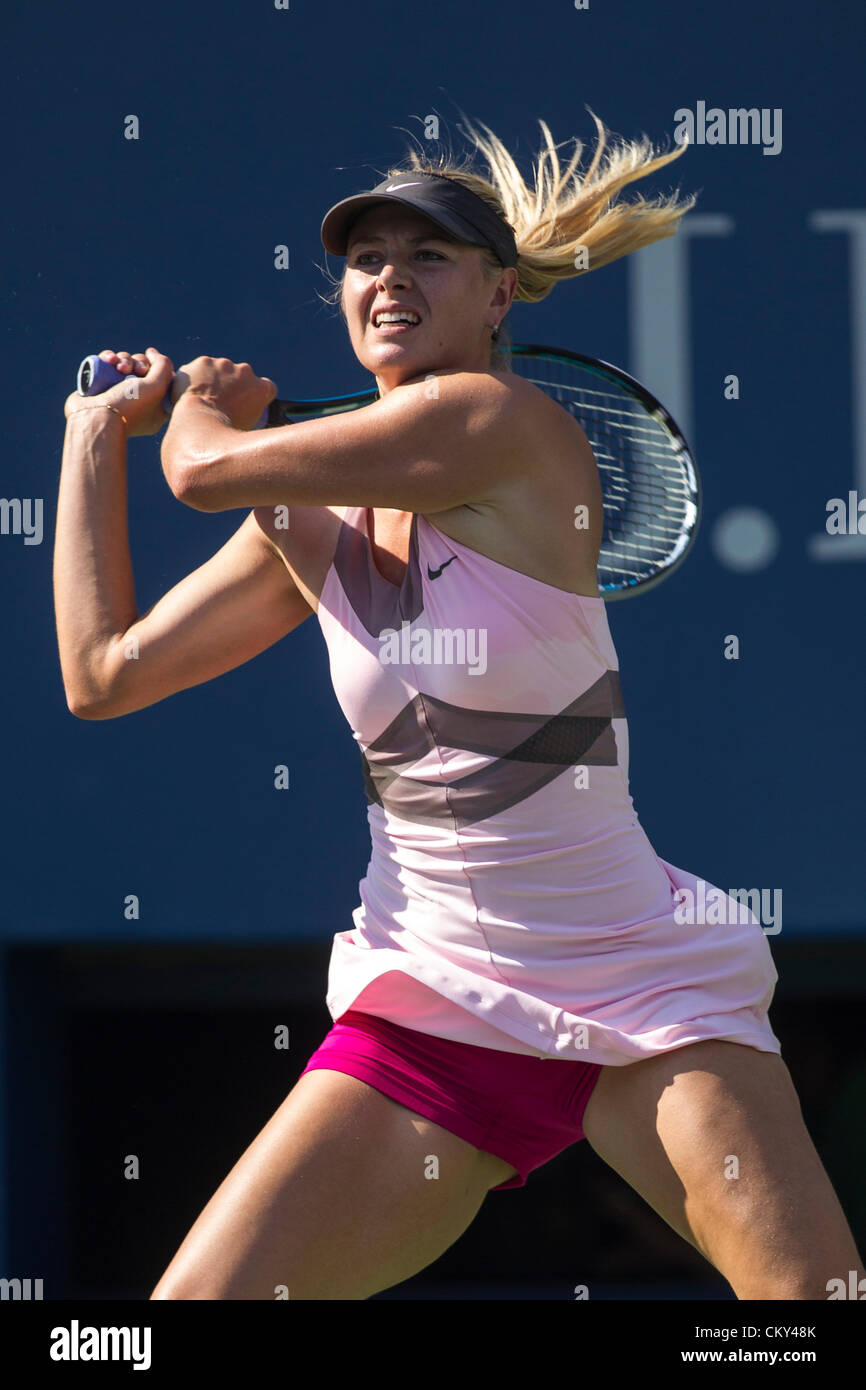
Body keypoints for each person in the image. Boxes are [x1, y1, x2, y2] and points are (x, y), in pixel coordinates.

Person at [56, 112, 863, 1301]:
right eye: (366, 258)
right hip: (428, 1001)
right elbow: (103, 675)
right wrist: (85, 444)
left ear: (496, 298)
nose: (388, 276)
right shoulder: (309, 521)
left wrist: (199, 409)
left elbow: (198, 470)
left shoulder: (496, 420)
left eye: (426, 255)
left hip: (643, 990)